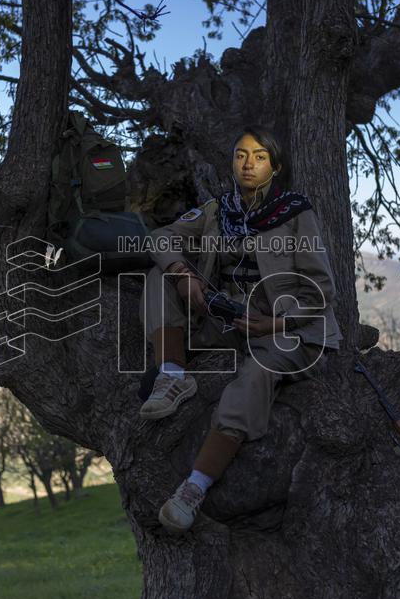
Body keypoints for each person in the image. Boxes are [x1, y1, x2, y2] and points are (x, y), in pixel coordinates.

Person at [138, 125, 343, 533]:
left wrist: (276, 322)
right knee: (159, 276)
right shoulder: (218, 211)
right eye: (240, 155)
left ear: (275, 167)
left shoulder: (296, 213)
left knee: (252, 378)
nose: (248, 164)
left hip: (289, 332)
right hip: (231, 321)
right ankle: (173, 377)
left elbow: (323, 290)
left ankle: (193, 489)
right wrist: (183, 273)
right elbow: (160, 236)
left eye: (259, 157)